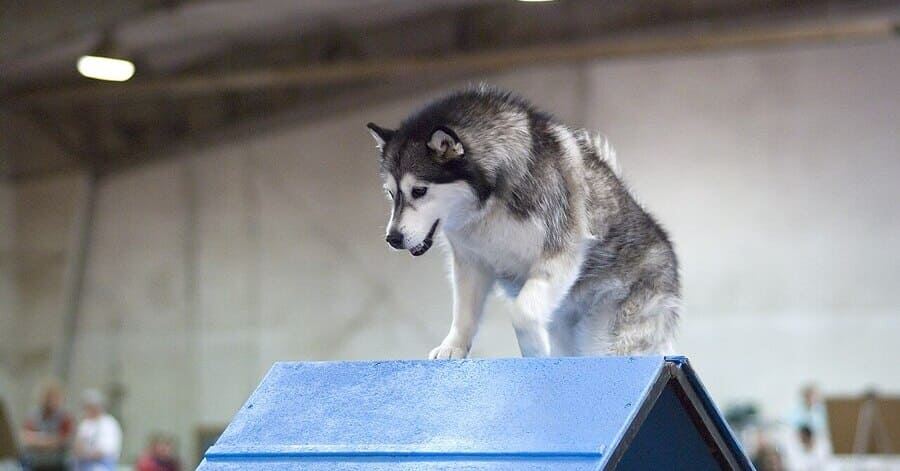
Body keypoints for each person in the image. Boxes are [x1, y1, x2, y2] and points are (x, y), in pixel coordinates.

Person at [20, 381, 73, 471]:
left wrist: (39, 439)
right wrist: (49, 440)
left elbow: (62, 440)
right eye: (50, 398)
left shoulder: (65, 417)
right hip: (34, 461)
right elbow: (25, 437)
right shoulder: (34, 415)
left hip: (57, 463)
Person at [72, 390, 121, 471]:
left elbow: (104, 451)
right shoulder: (85, 423)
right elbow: (77, 447)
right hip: (83, 463)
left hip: (103, 464)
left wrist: (86, 454)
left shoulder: (109, 424)